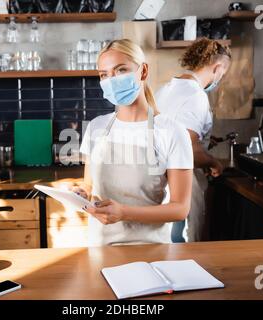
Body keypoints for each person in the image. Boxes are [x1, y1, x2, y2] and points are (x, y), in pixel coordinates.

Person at [74, 39, 194, 246]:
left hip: (151, 248)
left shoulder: (172, 132)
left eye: (121, 70)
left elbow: (180, 208)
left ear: (143, 71)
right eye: (104, 75)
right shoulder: (96, 127)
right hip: (101, 247)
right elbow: (90, 185)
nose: (111, 80)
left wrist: (125, 213)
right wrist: (81, 193)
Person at [155, 38, 232, 243]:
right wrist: (212, 162)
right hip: (184, 181)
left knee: (167, 245)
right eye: (222, 74)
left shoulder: (165, 89)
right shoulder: (196, 96)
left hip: (161, 182)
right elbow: (187, 147)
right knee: (187, 245)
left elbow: (173, 135)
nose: (220, 79)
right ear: (217, 67)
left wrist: (205, 140)